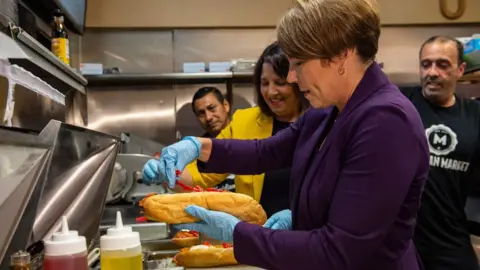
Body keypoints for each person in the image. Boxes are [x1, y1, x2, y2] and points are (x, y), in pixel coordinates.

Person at [142, 0, 430, 269]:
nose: (292, 77)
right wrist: (198, 147)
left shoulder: (386, 122)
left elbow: (340, 250)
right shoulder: (327, 112)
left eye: (299, 63)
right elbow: (264, 152)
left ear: (342, 53)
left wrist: (240, 235)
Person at [143, 42, 308, 217]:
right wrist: (166, 170)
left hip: (312, 234)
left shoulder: (321, 120)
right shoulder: (244, 121)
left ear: (298, 81)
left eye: (280, 82)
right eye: (264, 83)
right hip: (260, 234)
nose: (270, 92)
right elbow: (200, 174)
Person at [402, 36, 480, 270]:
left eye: (442, 65)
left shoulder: (475, 115)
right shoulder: (400, 104)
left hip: (450, 242)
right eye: (426, 64)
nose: (432, 72)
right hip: (402, 245)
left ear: (460, 69)